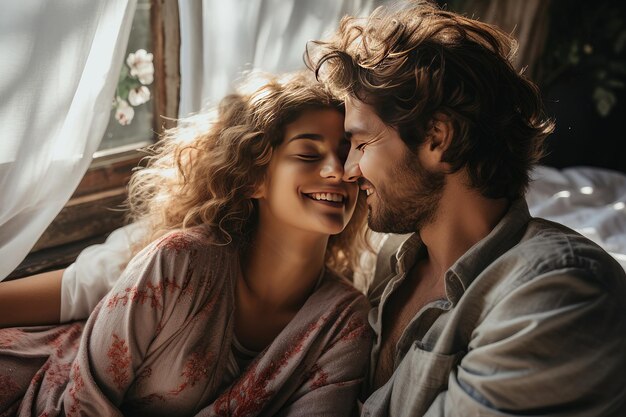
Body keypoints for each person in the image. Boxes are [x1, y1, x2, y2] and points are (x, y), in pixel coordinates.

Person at [304, 1, 626, 416]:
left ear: (438, 137)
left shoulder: (559, 293)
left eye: (362, 145)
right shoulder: (391, 258)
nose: (348, 171)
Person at [0, 71, 373, 416]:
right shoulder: (178, 262)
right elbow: (82, 404)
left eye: (347, 153)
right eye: (308, 154)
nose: (338, 170)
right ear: (252, 179)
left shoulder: (345, 321)